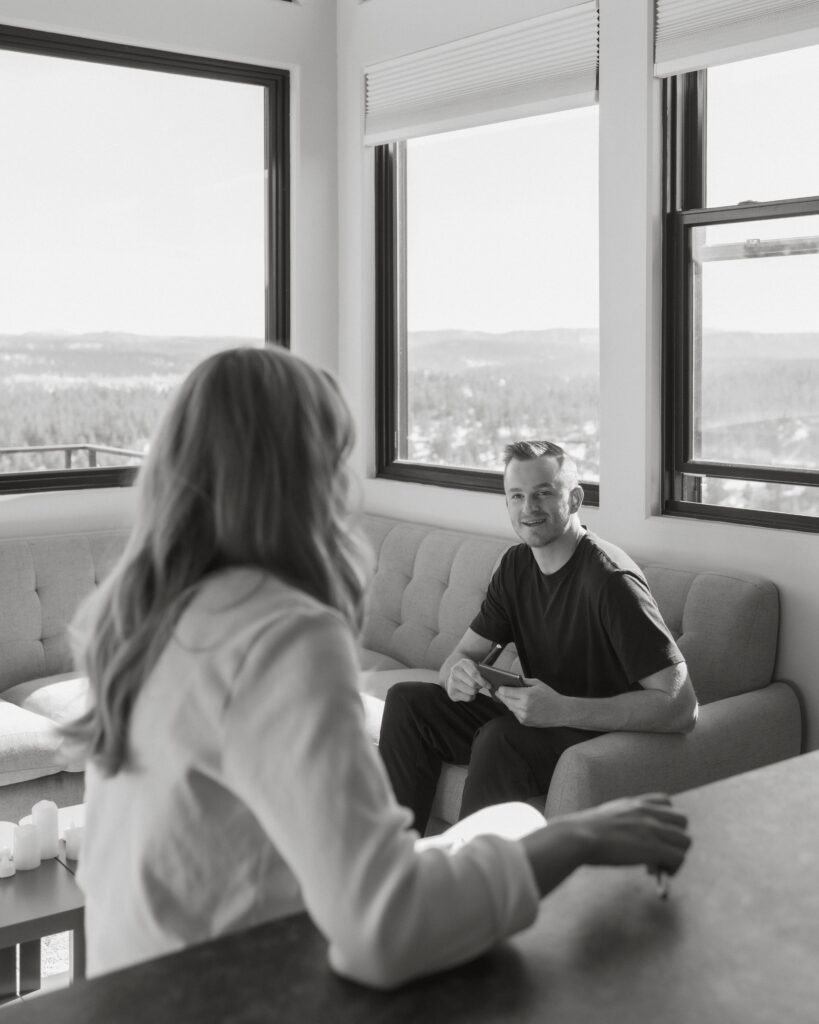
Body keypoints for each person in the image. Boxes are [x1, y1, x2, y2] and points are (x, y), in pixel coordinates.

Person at [65, 350, 692, 990]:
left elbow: (677, 700)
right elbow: (383, 929)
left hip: (137, 986)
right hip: (236, 993)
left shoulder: (141, 616)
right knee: (451, 746)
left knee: (496, 757)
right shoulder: (280, 633)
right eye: (335, 459)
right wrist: (575, 840)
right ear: (302, 475)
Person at [378, 440, 699, 836]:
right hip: (537, 714)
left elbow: (681, 707)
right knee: (408, 701)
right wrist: (457, 675)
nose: (529, 509)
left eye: (543, 494)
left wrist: (561, 709)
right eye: (517, 496)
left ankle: (472, 886)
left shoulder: (610, 582)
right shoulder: (516, 565)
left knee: (501, 740)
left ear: (575, 498)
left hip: (595, 731)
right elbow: (460, 657)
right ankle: (395, 864)